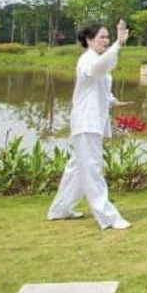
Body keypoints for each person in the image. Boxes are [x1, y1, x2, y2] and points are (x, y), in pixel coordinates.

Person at [47, 20, 131, 230]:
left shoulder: (96, 60)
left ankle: (60, 209)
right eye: (102, 37)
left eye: (107, 37)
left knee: (76, 169)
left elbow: (98, 84)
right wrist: (118, 44)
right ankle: (108, 217)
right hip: (86, 122)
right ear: (88, 39)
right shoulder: (87, 60)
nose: (106, 40)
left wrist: (113, 101)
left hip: (92, 121)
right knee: (93, 168)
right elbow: (95, 72)